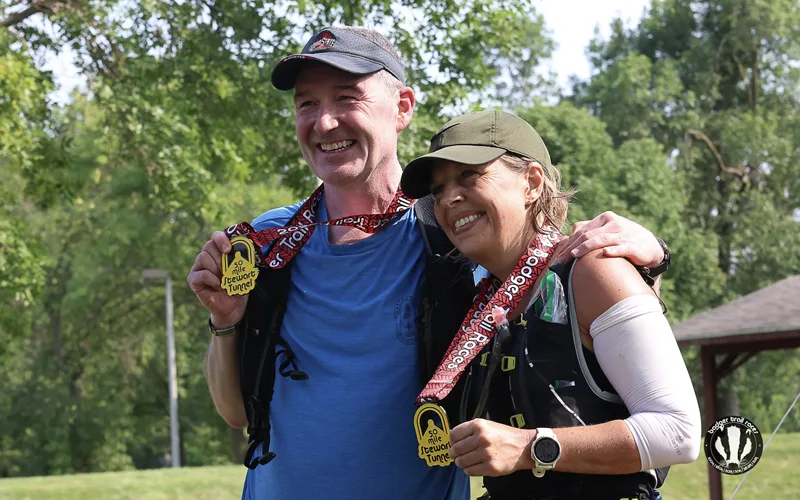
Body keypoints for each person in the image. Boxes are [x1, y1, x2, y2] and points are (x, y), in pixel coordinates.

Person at [187, 27, 672, 500]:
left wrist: (650, 254)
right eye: (306, 104)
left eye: (347, 98)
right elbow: (236, 413)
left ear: (402, 108)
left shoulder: (454, 236)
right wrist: (226, 321)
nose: (324, 122)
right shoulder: (271, 243)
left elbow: (553, 261)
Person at [399, 109, 701, 500]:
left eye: (468, 175)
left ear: (532, 182)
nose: (448, 198)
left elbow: (677, 433)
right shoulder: (482, 303)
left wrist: (529, 448)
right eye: (437, 190)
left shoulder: (595, 269)